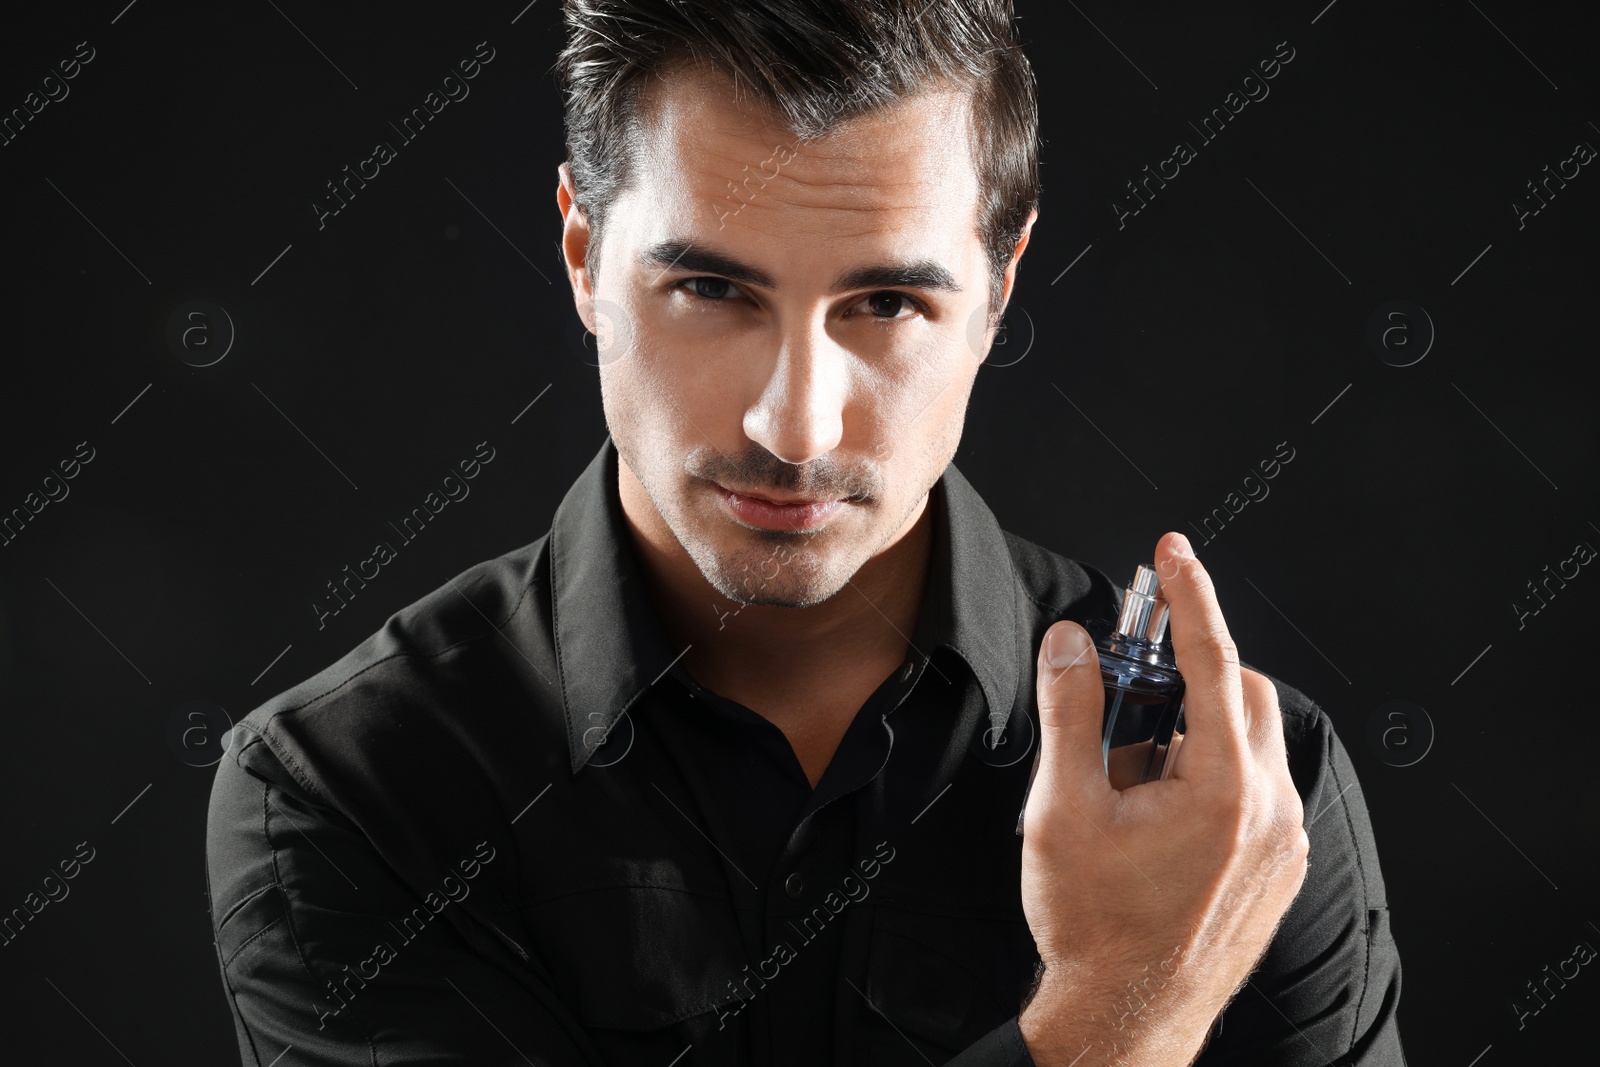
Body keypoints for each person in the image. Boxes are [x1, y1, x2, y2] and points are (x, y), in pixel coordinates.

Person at [205, 1, 1405, 1063]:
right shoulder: (348, 785)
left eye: (885, 301)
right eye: (713, 290)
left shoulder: (1249, 792)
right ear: (583, 257)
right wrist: (1123, 1008)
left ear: (997, 289)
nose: (793, 422)